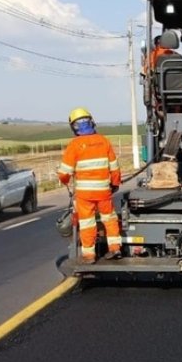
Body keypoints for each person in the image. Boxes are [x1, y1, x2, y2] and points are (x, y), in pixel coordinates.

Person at [57, 107, 123, 264]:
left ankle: (89, 255)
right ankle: (115, 248)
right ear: (92, 122)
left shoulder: (74, 145)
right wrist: (115, 184)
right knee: (109, 218)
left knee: (87, 222)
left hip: (85, 194)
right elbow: (114, 167)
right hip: (103, 191)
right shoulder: (104, 141)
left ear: (74, 127)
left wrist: (65, 180)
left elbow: (64, 172)